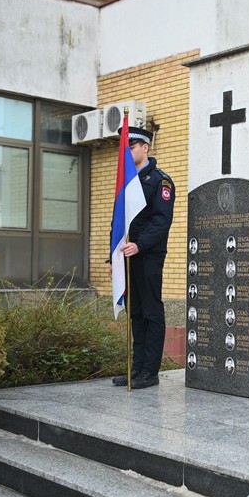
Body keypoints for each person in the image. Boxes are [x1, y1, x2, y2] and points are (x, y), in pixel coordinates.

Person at [110, 126, 175, 389]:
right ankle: (135, 370)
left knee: (150, 312)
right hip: (127, 257)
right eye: (126, 147)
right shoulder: (127, 180)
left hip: (148, 256)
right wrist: (112, 259)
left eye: (132, 146)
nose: (128, 151)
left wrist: (140, 245)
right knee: (135, 313)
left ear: (145, 148)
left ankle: (150, 371)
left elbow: (161, 221)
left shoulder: (160, 181)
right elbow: (118, 222)